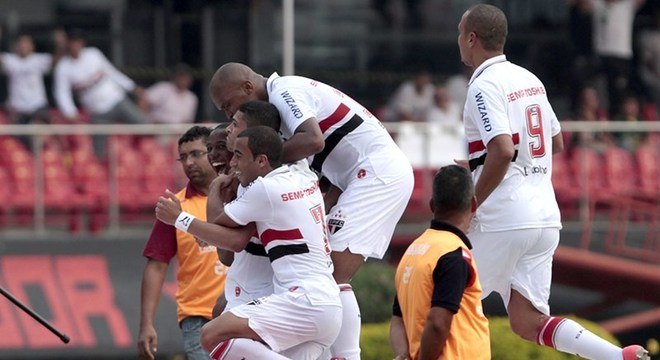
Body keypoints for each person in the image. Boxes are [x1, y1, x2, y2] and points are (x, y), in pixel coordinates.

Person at [457, 4, 649, 360]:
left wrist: (470, 205)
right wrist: (480, 160)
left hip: (503, 215)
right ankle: (616, 356)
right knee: (528, 322)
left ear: (471, 38)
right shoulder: (530, 79)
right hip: (545, 216)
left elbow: (502, 149)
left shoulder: (483, 85)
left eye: (459, 34)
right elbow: (557, 142)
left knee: (440, 301)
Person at [209, 63, 414, 359]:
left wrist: (256, 166)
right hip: (356, 178)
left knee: (331, 277)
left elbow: (313, 140)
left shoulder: (285, 90)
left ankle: (346, 356)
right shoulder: (280, 118)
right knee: (322, 275)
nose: (229, 115)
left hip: (376, 174)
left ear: (247, 87)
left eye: (228, 105)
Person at [155, 126, 342, 359]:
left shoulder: (260, 188)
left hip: (298, 301)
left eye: (232, 152)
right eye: (210, 149)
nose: (230, 161)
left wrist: (182, 216)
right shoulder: (301, 173)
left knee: (211, 336)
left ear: (261, 160)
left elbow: (226, 240)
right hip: (326, 302)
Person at [138, 126, 227, 360]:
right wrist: (146, 323)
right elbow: (156, 266)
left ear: (215, 152)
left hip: (243, 312)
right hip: (198, 319)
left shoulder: (240, 193)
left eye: (196, 154)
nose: (189, 163)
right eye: (183, 157)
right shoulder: (173, 207)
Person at [390, 165, 490, 360]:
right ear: (473, 205)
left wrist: (403, 354)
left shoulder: (412, 252)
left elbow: (397, 320)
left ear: (433, 205)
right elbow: (438, 323)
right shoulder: (454, 255)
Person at [53, 28, 149, 156]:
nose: (75, 45)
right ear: (68, 43)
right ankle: (102, 173)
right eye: (72, 42)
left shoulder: (93, 54)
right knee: (98, 150)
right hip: (97, 111)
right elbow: (61, 92)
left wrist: (131, 87)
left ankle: (152, 156)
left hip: (116, 100)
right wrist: (70, 111)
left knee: (145, 126)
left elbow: (111, 72)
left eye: (78, 41)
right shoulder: (63, 67)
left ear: (82, 43)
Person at [1, 32, 66, 147]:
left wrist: (61, 44)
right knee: (20, 143)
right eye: (21, 43)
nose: (23, 46)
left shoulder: (39, 59)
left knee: (45, 138)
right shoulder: (10, 60)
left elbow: (57, 59)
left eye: (26, 43)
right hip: (18, 110)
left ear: (32, 46)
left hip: (38, 107)